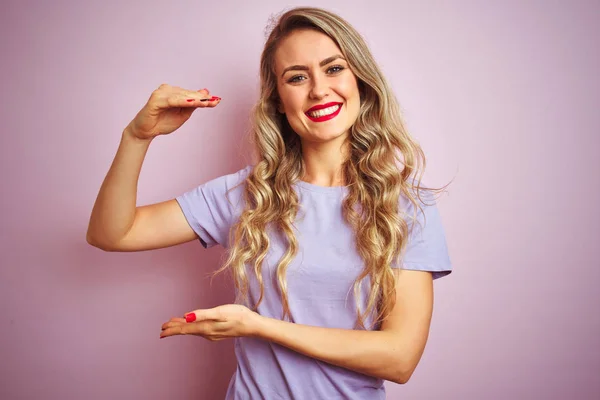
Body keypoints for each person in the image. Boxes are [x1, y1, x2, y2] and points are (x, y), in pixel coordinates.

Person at [86, 6, 453, 400]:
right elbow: (112, 233)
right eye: (297, 77)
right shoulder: (248, 194)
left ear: (360, 80)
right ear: (278, 99)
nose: (318, 90)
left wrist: (258, 326)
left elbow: (400, 359)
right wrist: (137, 137)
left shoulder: (405, 206)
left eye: (333, 69)